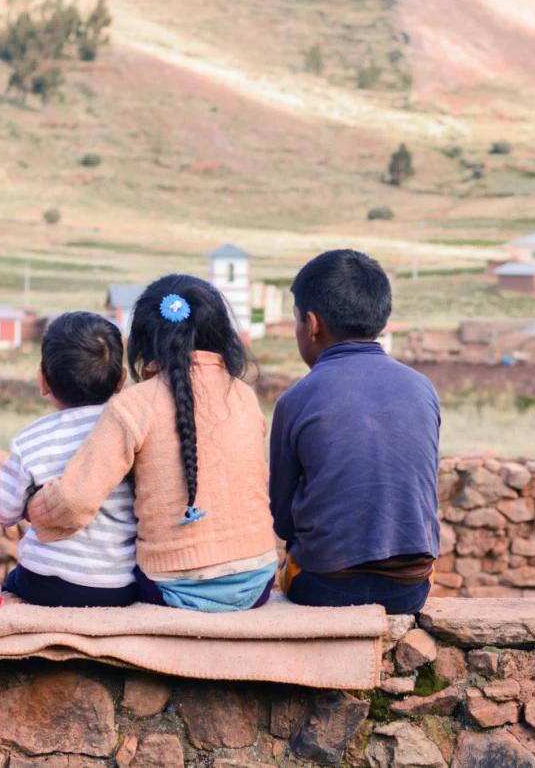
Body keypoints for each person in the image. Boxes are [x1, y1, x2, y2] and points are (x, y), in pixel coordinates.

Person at [28, 275, 277, 612]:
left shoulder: (134, 405)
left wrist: (35, 507)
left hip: (173, 590)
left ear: (143, 340)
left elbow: (74, 500)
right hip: (257, 581)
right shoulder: (244, 396)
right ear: (220, 332)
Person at [270, 249, 441, 614]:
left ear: (312, 324)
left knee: (286, 567)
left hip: (321, 587)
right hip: (409, 590)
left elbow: (282, 520)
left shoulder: (296, 399)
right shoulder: (422, 387)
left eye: (296, 321)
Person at [0, 312, 138, 607]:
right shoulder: (132, 433)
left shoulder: (32, 440)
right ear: (121, 380)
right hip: (121, 584)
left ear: (43, 380)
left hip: (47, 582)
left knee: (9, 584)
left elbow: (3, 512)